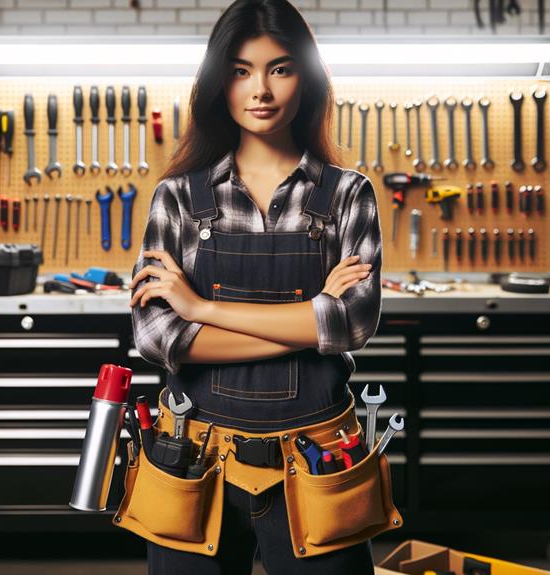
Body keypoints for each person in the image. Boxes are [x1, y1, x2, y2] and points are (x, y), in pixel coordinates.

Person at [126, 1, 388, 573]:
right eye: (241, 70)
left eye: (280, 68)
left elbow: (355, 325)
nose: (260, 89)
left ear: (307, 78)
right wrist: (314, 318)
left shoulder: (348, 195)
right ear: (220, 81)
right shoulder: (177, 198)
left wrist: (202, 308)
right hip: (195, 457)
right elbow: (156, 335)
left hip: (316, 461)